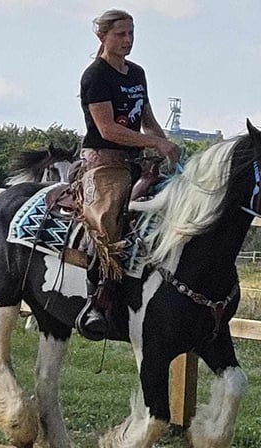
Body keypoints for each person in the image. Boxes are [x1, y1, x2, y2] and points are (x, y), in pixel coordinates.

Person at [75, 8, 180, 341]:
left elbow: (146, 117)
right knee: (107, 220)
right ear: (102, 36)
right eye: (120, 34)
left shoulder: (136, 73)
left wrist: (166, 145)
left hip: (137, 159)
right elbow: (108, 129)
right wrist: (154, 144)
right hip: (104, 162)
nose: (128, 40)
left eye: (131, 33)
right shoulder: (95, 76)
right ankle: (98, 299)